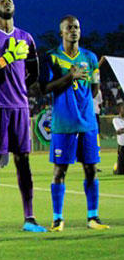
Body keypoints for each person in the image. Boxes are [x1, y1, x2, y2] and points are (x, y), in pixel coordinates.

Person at [0, 0, 46, 234]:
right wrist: (7, 58)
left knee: (23, 161)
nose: (6, 1)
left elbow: (34, 73)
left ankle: (30, 218)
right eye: (1, 0)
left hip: (19, 107)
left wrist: (20, 88)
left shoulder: (26, 37)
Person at [41, 16, 108, 231]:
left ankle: (93, 217)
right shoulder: (52, 57)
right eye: (69, 28)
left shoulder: (89, 57)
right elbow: (45, 88)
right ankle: (58, 219)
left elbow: (95, 88)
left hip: (87, 123)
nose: (74, 31)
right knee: (60, 171)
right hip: (64, 124)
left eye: (77, 27)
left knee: (91, 169)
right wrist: (70, 76)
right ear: (61, 33)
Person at [113, 103, 124, 175]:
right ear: (120, 110)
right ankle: (116, 166)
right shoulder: (116, 119)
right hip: (122, 146)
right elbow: (119, 131)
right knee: (120, 172)